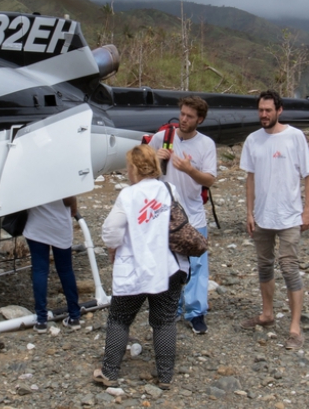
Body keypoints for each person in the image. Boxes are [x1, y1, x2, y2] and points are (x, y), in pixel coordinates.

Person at [95, 145, 189, 389]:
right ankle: (165, 376)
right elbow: (180, 224)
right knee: (164, 320)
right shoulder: (170, 190)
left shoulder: (129, 195)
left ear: (134, 168)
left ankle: (110, 372)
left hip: (135, 268)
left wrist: (113, 247)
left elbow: (111, 231)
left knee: (119, 318)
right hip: (167, 266)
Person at [238, 90, 309, 351]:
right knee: (264, 266)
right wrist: (249, 213)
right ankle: (267, 314)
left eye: (268, 110)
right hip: (262, 216)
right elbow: (249, 178)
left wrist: (308, 210)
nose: (264, 114)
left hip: (290, 215)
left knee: (289, 267)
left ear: (279, 110)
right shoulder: (252, 140)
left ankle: (294, 327)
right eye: (261, 110)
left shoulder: (295, 136)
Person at [148, 96, 216, 334]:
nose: (184, 120)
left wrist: (190, 170)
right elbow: (141, 171)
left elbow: (209, 179)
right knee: (168, 265)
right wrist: (155, 160)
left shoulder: (206, 145)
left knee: (197, 265)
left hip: (194, 215)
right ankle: (171, 309)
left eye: (190, 116)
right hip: (164, 216)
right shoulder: (162, 138)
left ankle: (196, 313)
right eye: (182, 114)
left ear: (200, 119)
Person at [24, 197, 82, 332]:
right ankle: (74, 316)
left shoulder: (30, 174)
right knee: (66, 270)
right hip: (60, 225)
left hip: (36, 224)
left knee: (40, 270)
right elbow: (69, 203)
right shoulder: (63, 175)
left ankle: (41, 320)